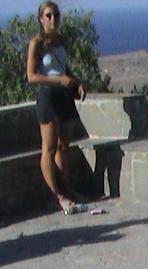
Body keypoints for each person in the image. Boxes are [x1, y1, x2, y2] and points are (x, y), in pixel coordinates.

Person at [25, 2, 88, 215]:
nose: (53, 20)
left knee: (64, 146)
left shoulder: (61, 41)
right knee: (49, 148)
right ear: (41, 19)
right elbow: (31, 76)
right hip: (48, 96)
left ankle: (67, 189)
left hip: (65, 96)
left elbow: (65, 68)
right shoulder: (37, 43)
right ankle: (57, 195)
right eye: (49, 16)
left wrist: (76, 82)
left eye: (56, 16)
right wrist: (58, 81)